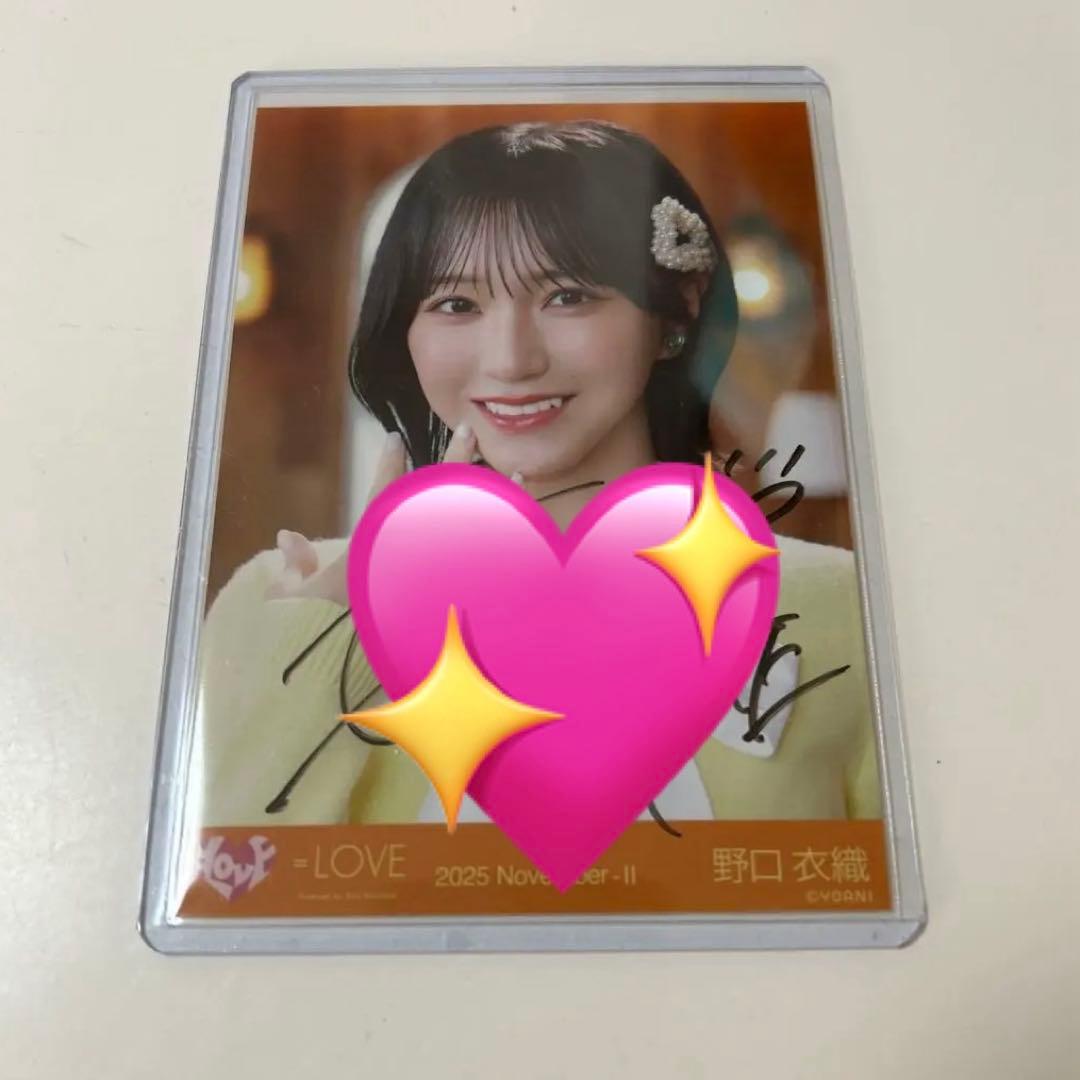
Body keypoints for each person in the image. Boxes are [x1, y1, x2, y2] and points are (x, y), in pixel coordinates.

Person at [195, 119, 881, 830]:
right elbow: (239, 879)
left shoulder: (837, 610)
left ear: (677, 307)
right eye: (456, 305)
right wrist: (341, 630)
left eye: (567, 296)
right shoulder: (282, 606)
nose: (511, 360)